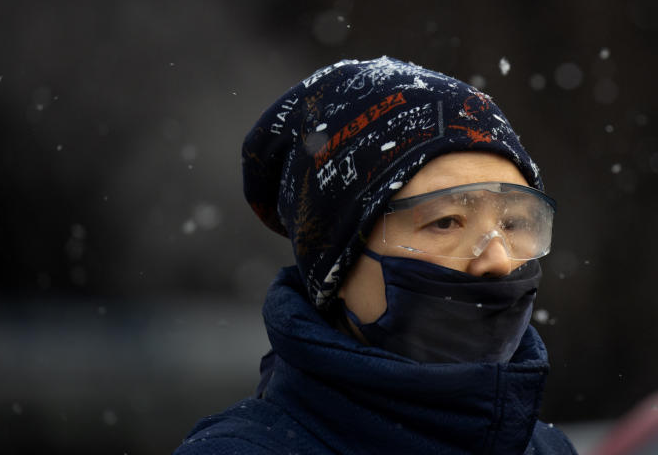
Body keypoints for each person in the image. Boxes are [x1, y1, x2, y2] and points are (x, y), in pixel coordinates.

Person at [175, 56, 576, 454]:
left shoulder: (549, 450)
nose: (499, 260)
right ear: (339, 263)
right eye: (446, 221)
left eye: (515, 225)